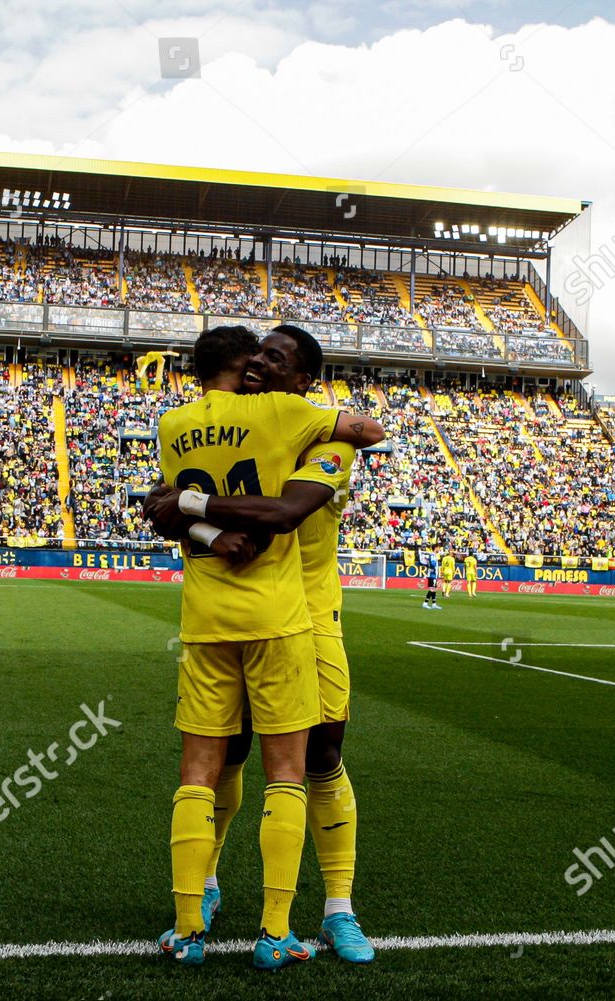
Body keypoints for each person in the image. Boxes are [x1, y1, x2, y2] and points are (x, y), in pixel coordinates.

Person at [145, 325, 383, 970]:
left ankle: (339, 909)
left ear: (303, 380)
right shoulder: (251, 424)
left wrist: (184, 505)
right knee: (232, 753)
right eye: (256, 353)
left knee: (322, 752)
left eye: (274, 358)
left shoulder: (326, 439)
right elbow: (177, 511)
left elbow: (280, 511)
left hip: (311, 616)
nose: (257, 363)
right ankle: (210, 885)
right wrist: (191, 520)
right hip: (256, 616)